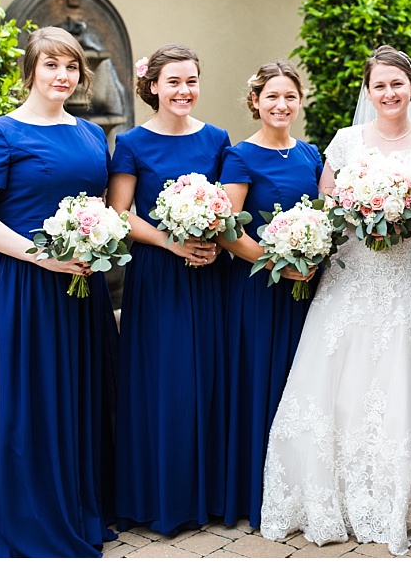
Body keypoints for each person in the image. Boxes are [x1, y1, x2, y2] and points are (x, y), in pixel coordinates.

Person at [260, 46, 411, 556]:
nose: (388, 93)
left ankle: (409, 496)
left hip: (409, 273)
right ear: (367, 93)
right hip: (354, 273)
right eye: (379, 86)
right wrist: (361, 214)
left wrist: (405, 218)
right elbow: (328, 206)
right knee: (340, 383)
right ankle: (334, 495)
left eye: (397, 84)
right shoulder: (346, 141)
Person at [0, 26, 117, 557]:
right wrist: (46, 257)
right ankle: (19, 516)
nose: (63, 76)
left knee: (75, 396)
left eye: (71, 68)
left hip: (81, 285)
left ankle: (73, 504)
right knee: (22, 399)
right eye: (51, 66)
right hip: (21, 286)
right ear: (31, 72)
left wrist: (92, 246)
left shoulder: (88, 134)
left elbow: (96, 206)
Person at [106, 44, 231, 536]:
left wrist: (216, 240)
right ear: (153, 86)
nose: (184, 91)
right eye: (174, 82)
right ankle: (158, 498)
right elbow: (118, 213)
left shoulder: (219, 139)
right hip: (158, 277)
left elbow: (229, 203)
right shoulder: (132, 143)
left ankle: (211, 495)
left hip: (209, 276)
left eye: (192, 81)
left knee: (208, 380)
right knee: (164, 383)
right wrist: (170, 241)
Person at [219, 61, 324, 532]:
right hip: (260, 287)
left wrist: (314, 258)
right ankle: (257, 493)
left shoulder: (311, 154)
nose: (281, 106)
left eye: (290, 97)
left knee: (303, 386)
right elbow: (227, 228)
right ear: (255, 102)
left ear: (300, 101)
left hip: (309, 288)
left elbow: (328, 219)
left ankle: (301, 489)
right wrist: (278, 264)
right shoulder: (240, 157)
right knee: (263, 381)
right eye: (272, 97)